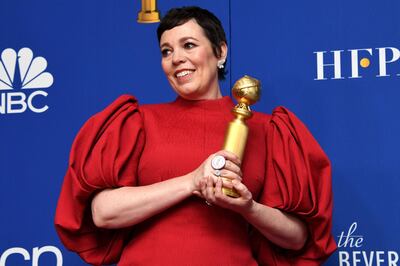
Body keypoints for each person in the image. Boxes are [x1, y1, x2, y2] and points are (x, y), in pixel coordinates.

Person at [55, 6, 336, 266]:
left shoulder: (267, 129)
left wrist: (249, 208)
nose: (176, 58)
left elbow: (297, 238)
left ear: (220, 52)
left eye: (188, 45)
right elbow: (103, 213)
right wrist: (191, 181)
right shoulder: (137, 121)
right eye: (166, 51)